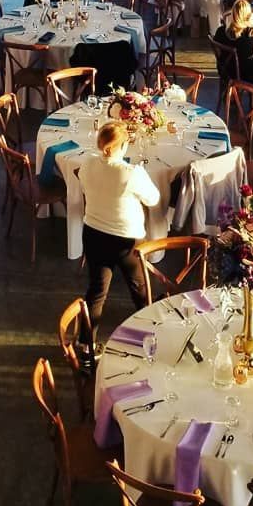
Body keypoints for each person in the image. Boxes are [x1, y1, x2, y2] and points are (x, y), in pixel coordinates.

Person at [78, 121, 160, 350]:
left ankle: (85, 345)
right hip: (126, 241)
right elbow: (153, 199)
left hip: (93, 234)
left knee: (97, 290)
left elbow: (86, 187)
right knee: (139, 289)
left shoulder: (87, 164)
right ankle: (154, 336)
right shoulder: (132, 173)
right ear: (122, 146)